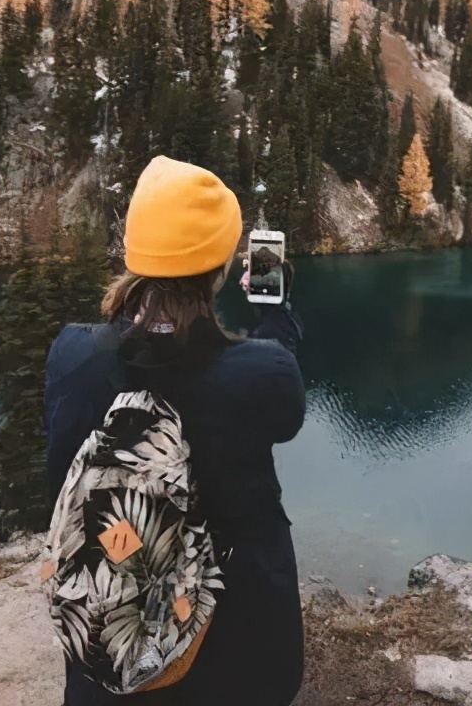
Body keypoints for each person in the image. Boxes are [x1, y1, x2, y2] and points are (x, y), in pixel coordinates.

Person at [43, 156, 306, 706]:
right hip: (240, 640)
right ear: (221, 269)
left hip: (114, 631)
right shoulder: (262, 370)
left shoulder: (73, 354)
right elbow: (285, 413)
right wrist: (273, 314)